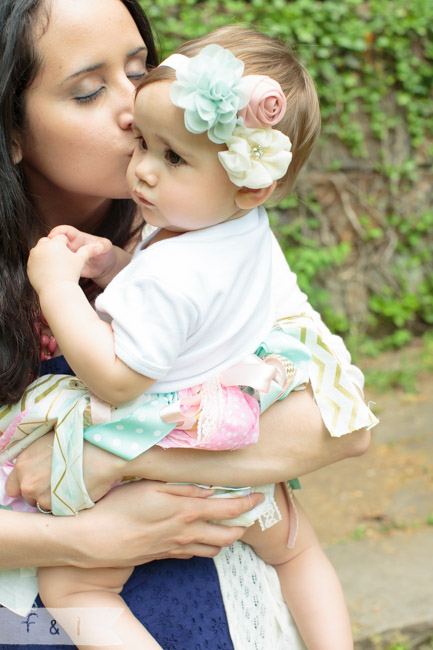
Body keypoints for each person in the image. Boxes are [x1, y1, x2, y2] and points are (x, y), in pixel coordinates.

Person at [0, 1, 373, 648]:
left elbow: (338, 427)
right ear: (10, 128)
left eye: (139, 68)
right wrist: (83, 539)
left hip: (211, 582)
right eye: (88, 90)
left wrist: (110, 458)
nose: (130, 105)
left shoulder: (181, 228)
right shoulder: (196, 224)